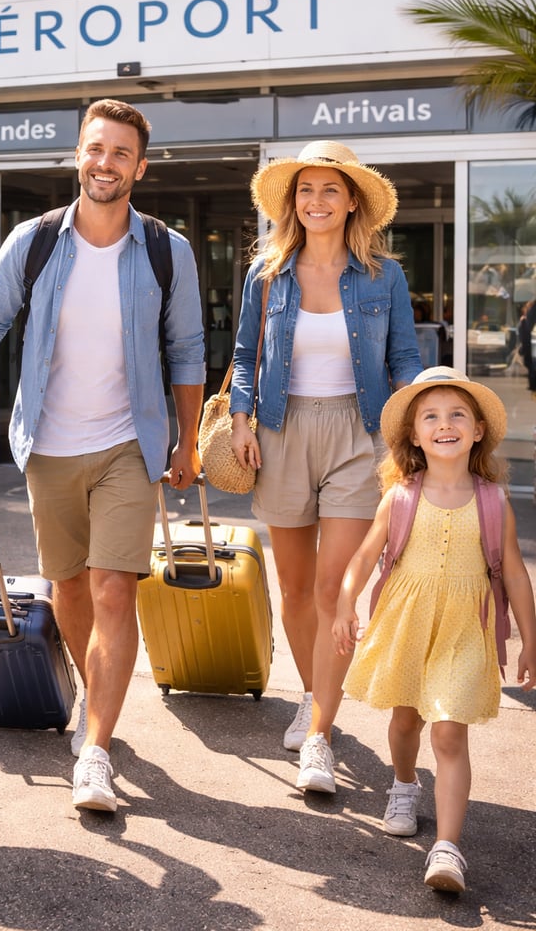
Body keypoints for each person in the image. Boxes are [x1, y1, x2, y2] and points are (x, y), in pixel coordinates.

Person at [0, 98, 205, 814]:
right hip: (48, 446)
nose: (105, 163)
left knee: (114, 587)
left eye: (121, 153)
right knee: (68, 590)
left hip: (130, 442)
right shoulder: (32, 241)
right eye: (96, 149)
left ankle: (96, 749)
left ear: (140, 168)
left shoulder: (164, 249)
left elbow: (186, 348)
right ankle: (98, 698)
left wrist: (186, 439)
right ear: (78, 155)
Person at [230, 139, 423, 794]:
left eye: (330, 191)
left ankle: (317, 734)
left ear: (351, 203)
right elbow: (242, 356)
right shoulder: (267, 272)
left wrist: (417, 428)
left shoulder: (383, 275)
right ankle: (315, 693)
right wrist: (239, 418)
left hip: (355, 433)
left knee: (335, 589)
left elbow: (403, 357)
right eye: (305, 191)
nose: (316, 202)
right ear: (293, 201)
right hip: (281, 434)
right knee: (295, 590)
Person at [333, 367, 536, 893]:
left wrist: (531, 639)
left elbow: (513, 572)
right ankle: (403, 783)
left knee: (447, 729)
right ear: (416, 436)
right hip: (409, 624)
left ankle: (447, 848)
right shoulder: (400, 497)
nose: (444, 424)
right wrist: (343, 603)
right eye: (431, 417)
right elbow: (363, 556)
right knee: (406, 722)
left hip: (466, 631)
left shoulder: (493, 501)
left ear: (476, 431)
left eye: (456, 415)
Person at [517, 298, 536, 394]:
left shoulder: (530, 314)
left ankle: (533, 386)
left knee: (532, 366)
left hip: (531, 344)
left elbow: (525, 333)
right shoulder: (530, 314)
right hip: (531, 344)